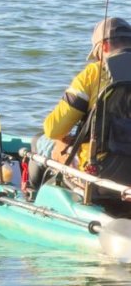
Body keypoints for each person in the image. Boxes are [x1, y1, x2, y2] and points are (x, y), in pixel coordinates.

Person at [40, 16, 131, 184]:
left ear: (103, 46)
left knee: (43, 142)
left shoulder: (93, 74)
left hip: (99, 173)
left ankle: (31, 197)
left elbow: (53, 129)